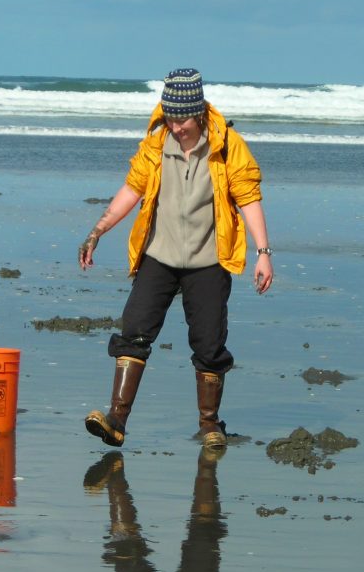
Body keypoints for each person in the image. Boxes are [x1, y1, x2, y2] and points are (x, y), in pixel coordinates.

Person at [79, 68, 273, 450]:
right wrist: (97, 231)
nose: (176, 126)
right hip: (159, 257)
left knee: (209, 344)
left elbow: (248, 197)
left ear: (198, 112)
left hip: (209, 260)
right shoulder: (155, 145)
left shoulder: (227, 146)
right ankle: (117, 420)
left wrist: (263, 253)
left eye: (182, 119)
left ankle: (210, 424)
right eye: (169, 117)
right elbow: (132, 190)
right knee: (134, 330)